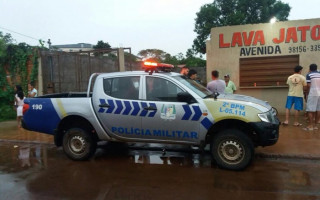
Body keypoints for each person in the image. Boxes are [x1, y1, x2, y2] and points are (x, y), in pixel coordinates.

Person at [304, 64, 320, 131]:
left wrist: (307, 93)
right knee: (318, 109)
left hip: (313, 93)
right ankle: (316, 126)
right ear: (316, 68)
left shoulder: (309, 75)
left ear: (310, 69)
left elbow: (308, 85)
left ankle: (310, 126)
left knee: (310, 110)